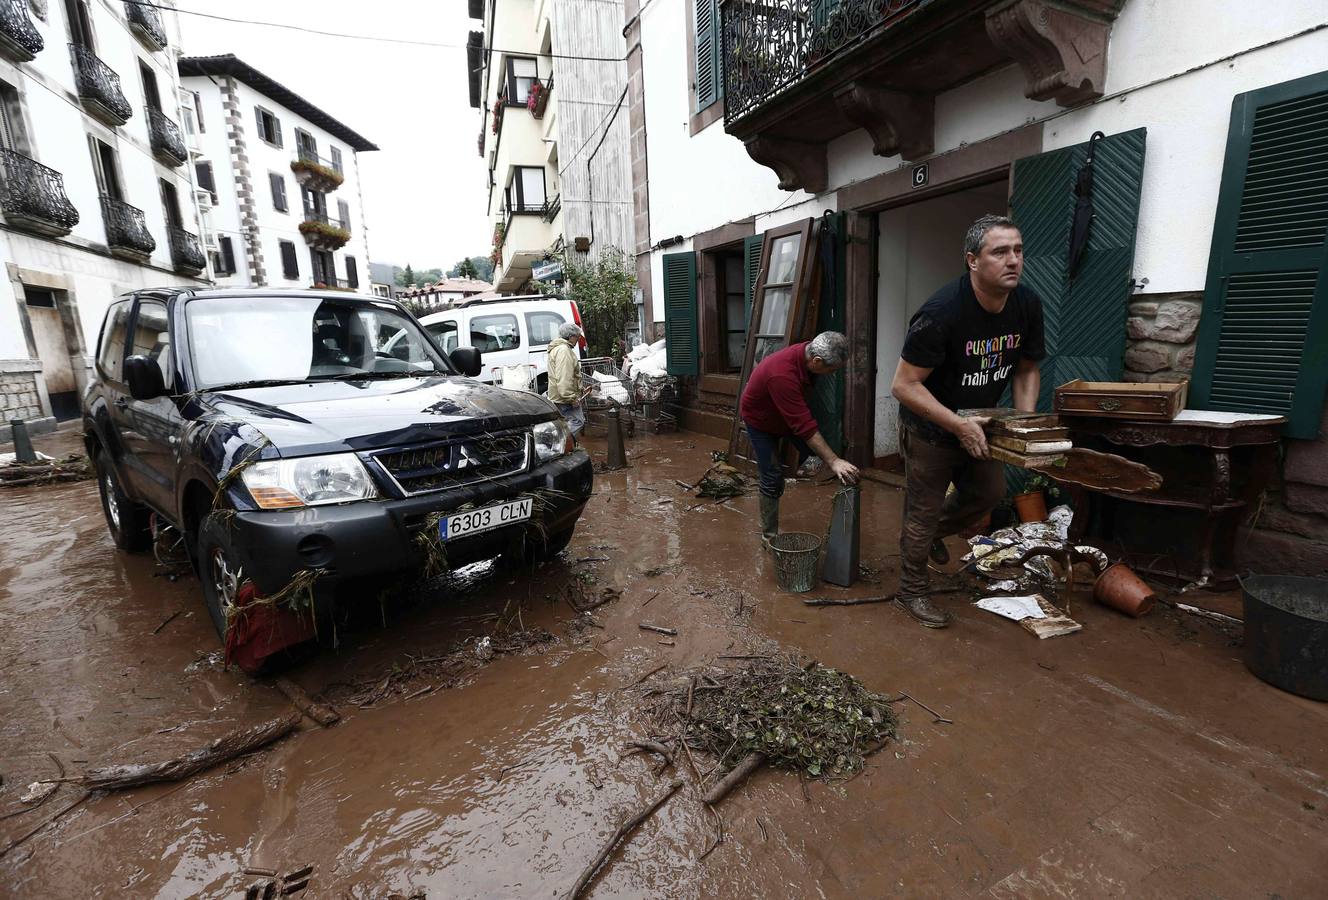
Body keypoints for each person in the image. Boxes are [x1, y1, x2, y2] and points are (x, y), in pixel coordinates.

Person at [889, 214, 1045, 628]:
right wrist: (956, 425)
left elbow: (1027, 369)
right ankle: (911, 590)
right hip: (930, 428)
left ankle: (926, 537)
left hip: (983, 424)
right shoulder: (941, 313)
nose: (1013, 260)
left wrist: (1021, 423)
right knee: (922, 511)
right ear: (973, 260)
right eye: (1000, 252)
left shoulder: (1027, 304)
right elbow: (903, 385)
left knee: (988, 493)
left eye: (1018, 250)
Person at [739, 331, 860, 545]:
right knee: (772, 477)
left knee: (813, 455)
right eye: (832, 370)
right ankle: (769, 538)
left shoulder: (807, 354)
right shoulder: (782, 375)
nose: (832, 374)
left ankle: (801, 471)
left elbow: (802, 422)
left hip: (785, 414)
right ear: (817, 361)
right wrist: (834, 460)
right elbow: (804, 427)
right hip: (761, 421)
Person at [547, 322, 586, 437]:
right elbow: (564, 377)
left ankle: (560, 441)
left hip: (558, 396)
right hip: (563, 398)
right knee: (577, 421)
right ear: (571, 336)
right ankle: (560, 442)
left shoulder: (557, 348)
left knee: (562, 423)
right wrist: (571, 398)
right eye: (577, 337)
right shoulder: (564, 351)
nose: (578, 339)